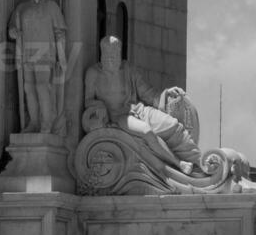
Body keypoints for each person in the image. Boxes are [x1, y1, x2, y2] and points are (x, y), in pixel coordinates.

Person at [83, 35, 201, 171]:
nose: (112, 60)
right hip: (119, 118)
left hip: (138, 110)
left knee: (172, 125)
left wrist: (166, 94)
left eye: (115, 56)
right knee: (146, 131)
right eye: (109, 56)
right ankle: (179, 164)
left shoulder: (128, 69)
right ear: (103, 55)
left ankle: (199, 164)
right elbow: (88, 101)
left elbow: (147, 93)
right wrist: (100, 107)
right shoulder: (93, 74)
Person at [8, 0, 68, 134]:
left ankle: (46, 123)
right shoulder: (21, 8)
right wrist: (13, 32)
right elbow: (12, 29)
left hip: (46, 54)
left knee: (42, 87)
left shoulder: (51, 7)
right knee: (29, 88)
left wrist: (62, 57)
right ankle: (34, 122)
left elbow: (60, 33)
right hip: (27, 55)